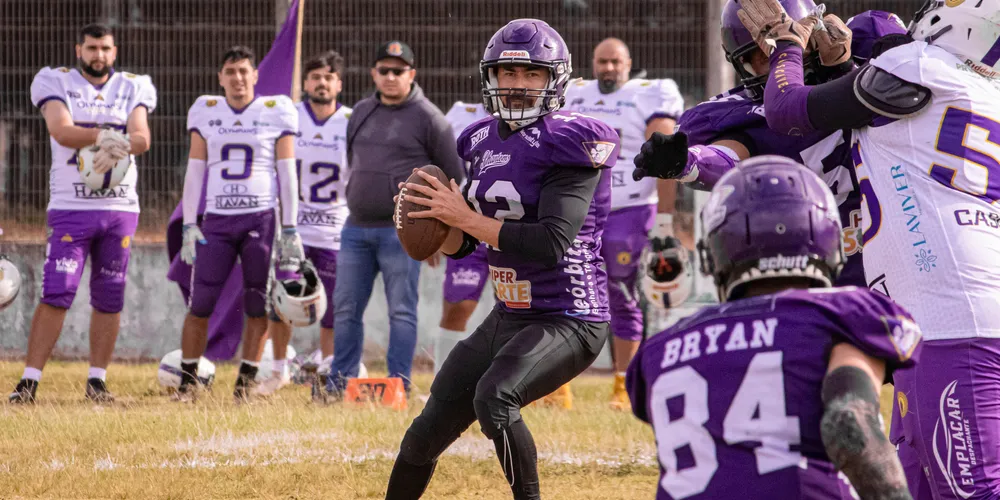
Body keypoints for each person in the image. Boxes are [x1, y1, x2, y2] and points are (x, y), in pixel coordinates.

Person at [736, 0, 1000, 497]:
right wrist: (838, 63)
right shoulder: (979, 88)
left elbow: (786, 109)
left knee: (973, 490)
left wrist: (787, 44)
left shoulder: (918, 65)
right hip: (953, 305)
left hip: (950, 313)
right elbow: (879, 125)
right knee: (916, 486)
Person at [384, 19, 619, 499]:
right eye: (507, 73)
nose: (517, 84)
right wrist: (435, 222)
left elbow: (551, 241)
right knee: (425, 432)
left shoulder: (572, 139)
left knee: (496, 398)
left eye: (531, 74)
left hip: (570, 315)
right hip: (510, 313)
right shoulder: (478, 140)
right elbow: (466, 245)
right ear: (490, 76)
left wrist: (463, 217)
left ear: (554, 79)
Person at [628, 155, 920, 500]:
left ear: (715, 252)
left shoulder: (660, 349)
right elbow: (848, 422)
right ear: (829, 240)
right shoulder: (845, 314)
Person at [632, 0, 908, 291]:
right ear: (742, 63)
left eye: (781, 49)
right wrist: (687, 162)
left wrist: (843, 69)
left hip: (896, 257)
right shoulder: (743, 113)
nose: (777, 61)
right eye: (764, 56)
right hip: (806, 274)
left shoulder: (866, 77)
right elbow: (728, 156)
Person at [10, 23, 156, 404]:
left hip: (119, 208)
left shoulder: (133, 85)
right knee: (57, 291)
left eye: (105, 48)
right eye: (91, 48)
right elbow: (61, 130)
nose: (98, 55)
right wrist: (103, 136)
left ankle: (97, 382)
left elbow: (142, 137)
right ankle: (29, 382)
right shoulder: (56, 81)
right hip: (71, 206)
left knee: (110, 295)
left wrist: (120, 140)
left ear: (114, 51)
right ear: (79, 50)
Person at [332, 40, 464, 395]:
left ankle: (397, 386)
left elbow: (453, 178)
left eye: (398, 71)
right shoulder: (361, 111)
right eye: (384, 70)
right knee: (344, 309)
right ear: (373, 73)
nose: (390, 77)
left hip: (402, 232)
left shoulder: (430, 118)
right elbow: (353, 163)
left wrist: (437, 231)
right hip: (355, 227)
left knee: (401, 312)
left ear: (412, 74)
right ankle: (338, 384)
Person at [563, 37, 684, 410]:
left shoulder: (650, 94)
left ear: (629, 64)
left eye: (616, 62)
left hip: (629, 209)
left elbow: (665, 154)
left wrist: (665, 220)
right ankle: (557, 385)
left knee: (622, 294)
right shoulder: (573, 92)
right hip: (581, 210)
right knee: (567, 292)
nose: (609, 68)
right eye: (602, 61)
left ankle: (623, 384)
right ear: (592, 63)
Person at [176, 46, 302, 402]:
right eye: (230, 72)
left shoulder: (275, 110)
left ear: (255, 75)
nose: (238, 78)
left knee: (257, 301)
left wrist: (290, 227)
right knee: (200, 302)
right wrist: (189, 222)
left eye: (244, 71)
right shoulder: (207, 109)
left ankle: (244, 383)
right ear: (220, 78)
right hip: (216, 220)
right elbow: (195, 170)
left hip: (260, 218)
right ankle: (187, 382)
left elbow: (287, 172)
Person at [254, 50, 352, 397]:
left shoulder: (351, 121)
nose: (322, 83)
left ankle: (328, 370)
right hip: (292, 230)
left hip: (334, 229)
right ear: (305, 83)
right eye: (315, 77)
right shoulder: (289, 116)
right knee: (282, 301)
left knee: (332, 307)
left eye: (328, 77)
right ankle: (279, 370)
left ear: (339, 84)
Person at [433, 99, 490, 376]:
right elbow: (438, 172)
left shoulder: (542, 119)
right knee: (457, 307)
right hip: (469, 228)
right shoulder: (459, 115)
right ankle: (441, 383)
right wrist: (435, 228)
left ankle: (542, 388)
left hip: (519, 229)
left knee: (532, 310)